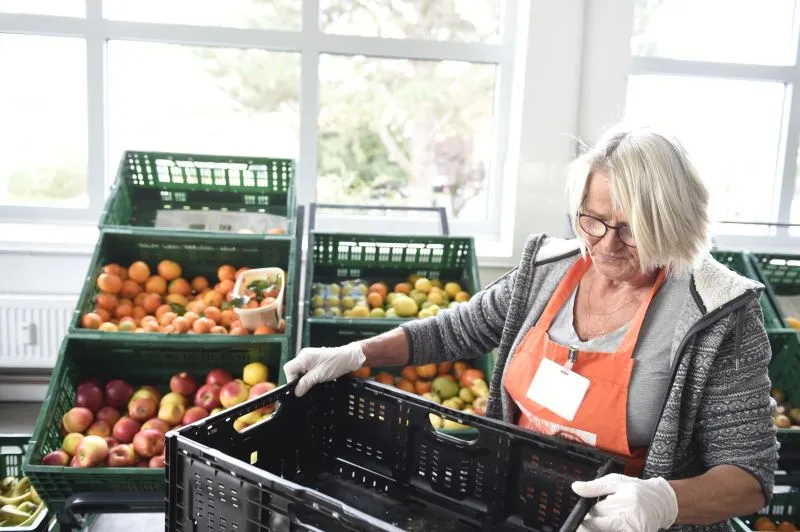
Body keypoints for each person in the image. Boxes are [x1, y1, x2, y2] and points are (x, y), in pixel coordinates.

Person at [284, 124, 778, 532]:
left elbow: (750, 476)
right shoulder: (549, 270)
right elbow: (455, 330)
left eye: (630, 228)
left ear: (673, 220)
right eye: (593, 221)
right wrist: (354, 353)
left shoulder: (718, 314)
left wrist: (663, 501)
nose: (606, 245)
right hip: (518, 512)